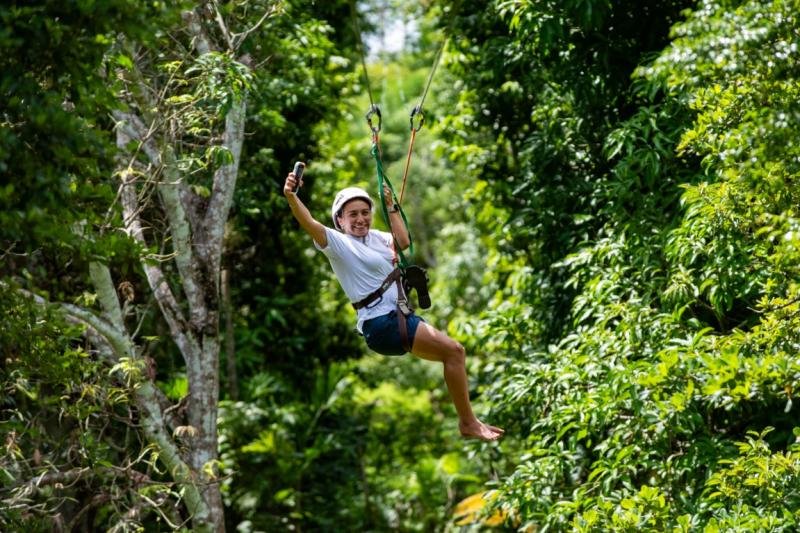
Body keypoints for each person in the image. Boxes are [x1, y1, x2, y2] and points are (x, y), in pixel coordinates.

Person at [284, 167, 503, 442]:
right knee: (454, 352)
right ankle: (468, 422)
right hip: (381, 324)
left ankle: (468, 421)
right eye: (353, 214)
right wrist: (292, 196)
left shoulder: (377, 237)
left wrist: (391, 207)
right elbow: (310, 223)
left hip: (397, 317)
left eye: (365, 212)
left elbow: (403, 241)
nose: (361, 219)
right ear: (339, 220)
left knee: (454, 353)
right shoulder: (338, 245)